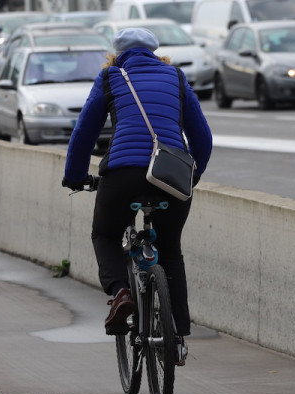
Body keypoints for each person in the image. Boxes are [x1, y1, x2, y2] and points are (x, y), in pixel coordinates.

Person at [62, 28, 212, 365]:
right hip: (170, 175)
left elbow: (84, 133)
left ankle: (121, 293)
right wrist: (194, 173)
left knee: (105, 233)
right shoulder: (175, 76)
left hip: (123, 174)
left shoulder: (110, 78)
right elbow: (202, 135)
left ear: (116, 54)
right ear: (155, 52)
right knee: (170, 249)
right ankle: (177, 335)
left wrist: (74, 177)